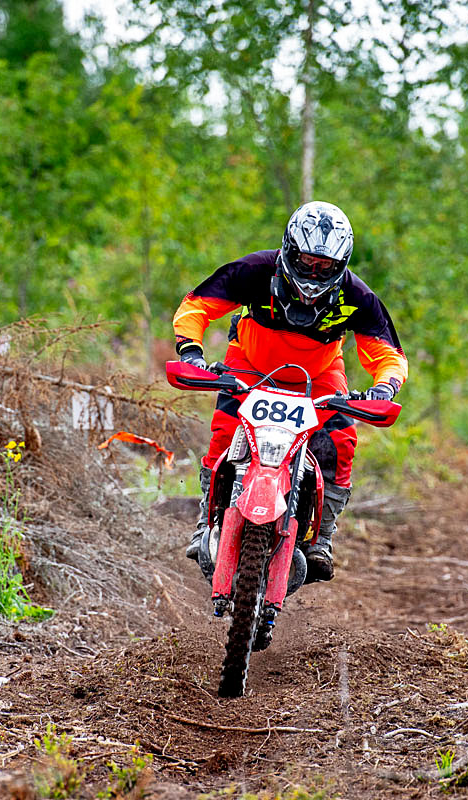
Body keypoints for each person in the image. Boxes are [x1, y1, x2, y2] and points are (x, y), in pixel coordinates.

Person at [171, 201, 408, 582]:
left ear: (341, 264)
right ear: (289, 250)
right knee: (224, 433)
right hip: (249, 363)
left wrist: (384, 387)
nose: (314, 272)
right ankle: (206, 524)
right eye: (307, 261)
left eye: (325, 266)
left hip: (319, 374)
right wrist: (191, 353)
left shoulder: (357, 296)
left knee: (340, 444)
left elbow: (389, 354)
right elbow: (196, 306)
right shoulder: (255, 270)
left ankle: (322, 538)